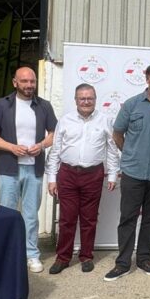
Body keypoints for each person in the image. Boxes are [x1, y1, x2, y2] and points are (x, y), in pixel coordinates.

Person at [105, 63, 150, 281]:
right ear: (147, 79)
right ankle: (123, 263)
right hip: (133, 172)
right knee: (128, 218)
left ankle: (144, 259)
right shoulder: (132, 105)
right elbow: (117, 133)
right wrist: (130, 153)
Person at [0, 66, 57, 274]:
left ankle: (31, 254)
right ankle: (5, 254)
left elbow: (54, 133)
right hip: (9, 168)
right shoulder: (3, 104)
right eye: (24, 81)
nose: (29, 85)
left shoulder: (44, 106)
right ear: (15, 82)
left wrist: (41, 145)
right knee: (6, 213)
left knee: (31, 215)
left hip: (34, 169)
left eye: (32, 81)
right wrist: (11, 147)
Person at [44, 84, 119, 275]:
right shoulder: (65, 120)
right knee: (67, 219)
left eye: (89, 98)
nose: (86, 102)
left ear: (95, 99)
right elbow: (56, 150)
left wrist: (112, 174)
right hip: (67, 174)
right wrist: (52, 178)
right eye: (82, 98)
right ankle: (63, 258)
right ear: (76, 100)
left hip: (93, 175)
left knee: (89, 219)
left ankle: (86, 256)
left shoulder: (105, 120)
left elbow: (112, 149)